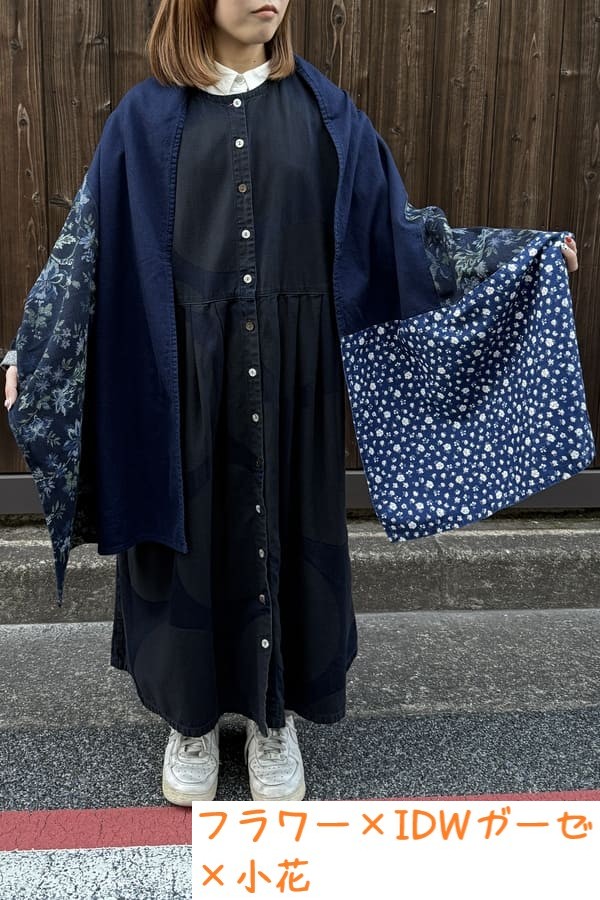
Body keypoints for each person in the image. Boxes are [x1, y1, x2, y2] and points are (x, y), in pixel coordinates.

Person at [1, 0, 584, 808]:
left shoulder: (326, 113)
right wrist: (34, 352)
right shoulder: (142, 119)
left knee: (285, 534)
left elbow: (397, 238)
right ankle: (191, 722)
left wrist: (516, 256)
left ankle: (273, 720)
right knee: (184, 542)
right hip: (178, 382)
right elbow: (86, 247)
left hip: (293, 382)